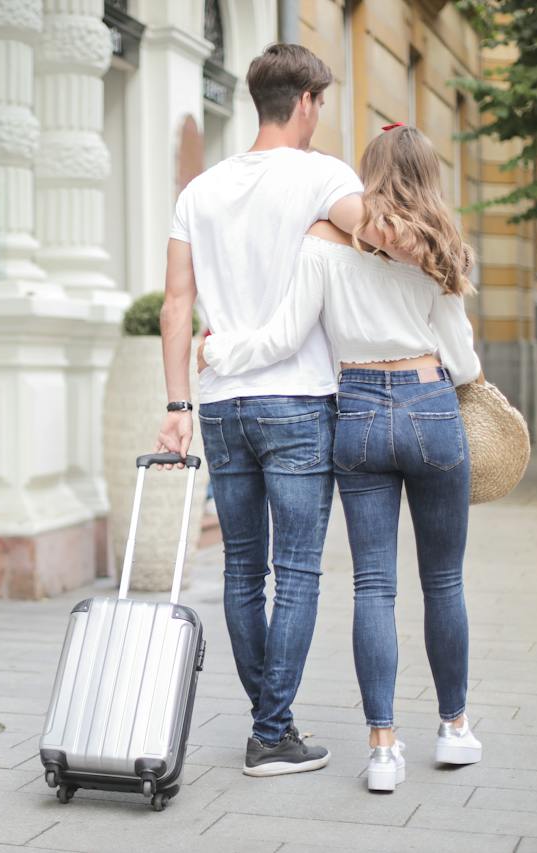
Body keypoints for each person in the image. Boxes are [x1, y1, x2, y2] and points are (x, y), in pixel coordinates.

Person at [198, 124, 486, 793]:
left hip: (355, 412)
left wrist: (219, 352)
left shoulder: (324, 244)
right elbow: (464, 359)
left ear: (366, 174)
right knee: (444, 581)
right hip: (429, 402)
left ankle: (383, 749)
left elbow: (284, 336)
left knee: (373, 586)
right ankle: (454, 726)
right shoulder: (440, 248)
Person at [155, 43, 383, 778]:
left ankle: (270, 719)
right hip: (298, 398)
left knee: (243, 569)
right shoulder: (324, 177)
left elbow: (175, 307)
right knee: (299, 569)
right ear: (308, 101)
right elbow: (379, 232)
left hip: (222, 401)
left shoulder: (200, 191)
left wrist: (176, 405)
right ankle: (272, 730)